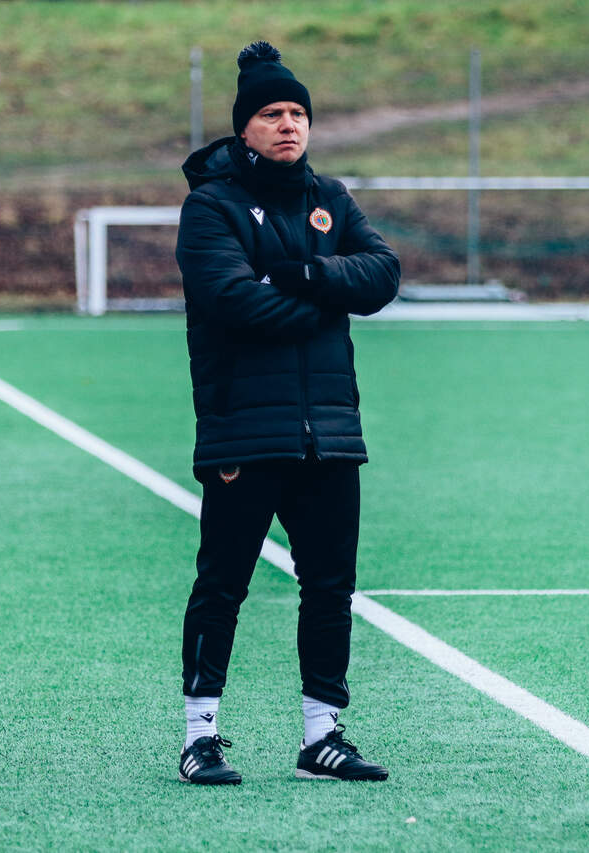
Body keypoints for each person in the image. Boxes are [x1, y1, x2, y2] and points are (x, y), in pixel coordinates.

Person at [175, 41, 400, 785]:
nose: (288, 124)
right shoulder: (211, 206)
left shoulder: (330, 198)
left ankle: (322, 736)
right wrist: (331, 300)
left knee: (329, 586)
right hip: (244, 430)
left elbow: (383, 272)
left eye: (298, 113)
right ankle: (200, 735)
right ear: (244, 128)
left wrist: (304, 273)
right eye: (272, 113)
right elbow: (235, 301)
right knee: (223, 586)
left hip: (330, 432)